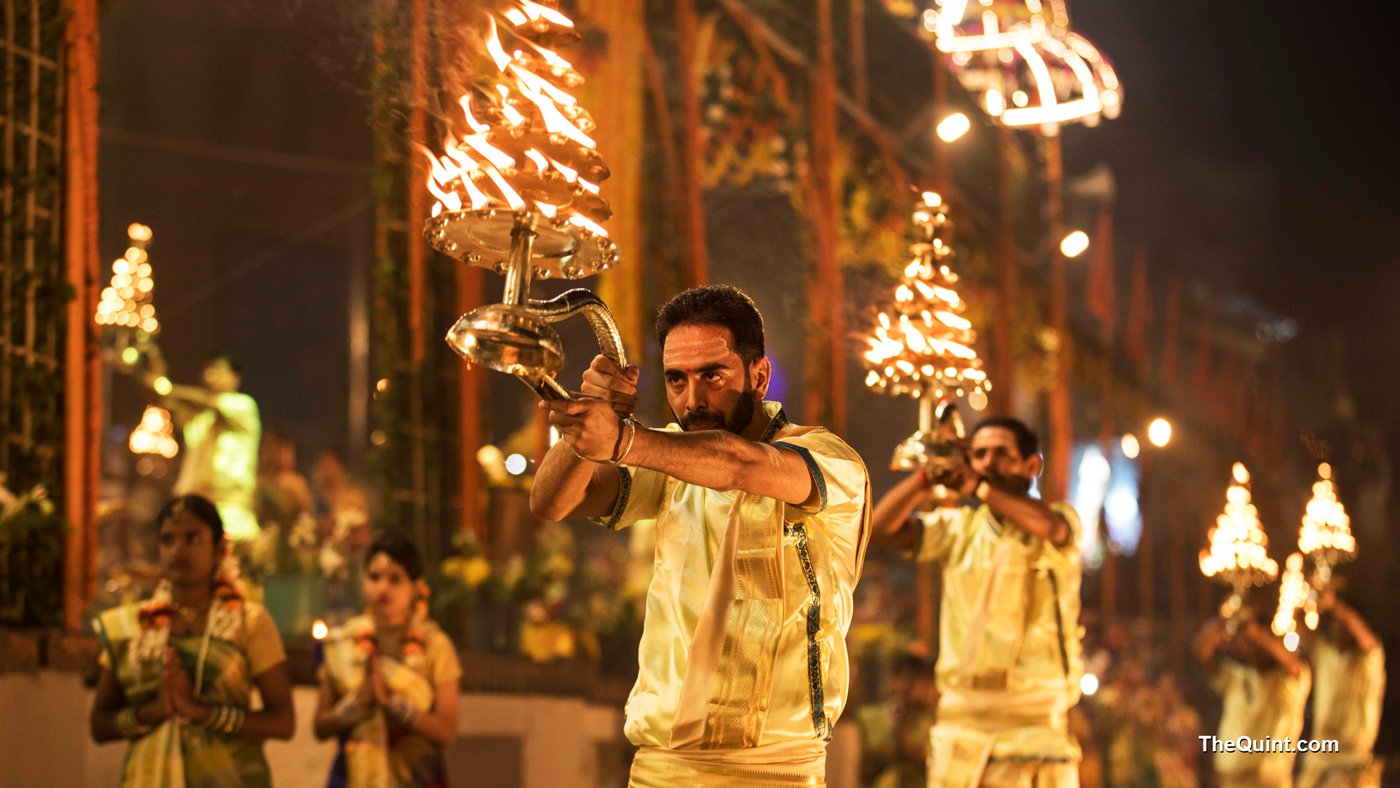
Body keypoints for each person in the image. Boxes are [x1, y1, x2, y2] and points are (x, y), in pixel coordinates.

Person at [531, 285, 871, 785]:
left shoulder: (828, 460)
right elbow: (552, 502)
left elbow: (738, 465)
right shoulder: (665, 454)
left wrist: (623, 439)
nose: (693, 400)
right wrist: (588, 420)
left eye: (712, 375)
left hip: (775, 770)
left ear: (759, 375)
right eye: (675, 380)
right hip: (661, 766)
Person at [870, 416, 1084, 787]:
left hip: (1032, 730)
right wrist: (927, 477)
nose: (987, 462)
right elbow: (880, 529)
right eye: (980, 454)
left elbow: (1051, 529)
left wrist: (978, 487)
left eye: (1001, 454)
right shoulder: (958, 530)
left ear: (1031, 466)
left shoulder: (1054, 521)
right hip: (961, 731)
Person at [89, 494, 295, 785]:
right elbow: (99, 725)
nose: (178, 550)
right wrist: (153, 712)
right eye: (167, 540)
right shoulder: (130, 626)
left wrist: (202, 713)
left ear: (219, 549)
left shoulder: (249, 621)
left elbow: (283, 722)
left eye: (193, 538)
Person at [315, 533, 462, 787]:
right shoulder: (345, 641)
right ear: (363, 583)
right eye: (374, 577)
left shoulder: (435, 645)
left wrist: (393, 704)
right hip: (353, 777)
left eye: (395, 579)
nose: (383, 587)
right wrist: (357, 705)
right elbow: (320, 727)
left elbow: (446, 731)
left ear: (417, 587)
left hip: (415, 778)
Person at [136, 352, 262, 541]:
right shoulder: (200, 417)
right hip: (192, 504)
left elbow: (199, 400)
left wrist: (167, 388)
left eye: (218, 370)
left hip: (230, 508)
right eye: (208, 371)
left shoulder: (242, 405)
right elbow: (163, 402)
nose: (211, 376)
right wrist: (146, 374)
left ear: (236, 377)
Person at [1194, 612, 1310, 787]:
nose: (1253, 648)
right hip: (1231, 780)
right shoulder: (1238, 678)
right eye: (1249, 644)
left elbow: (1291, 665)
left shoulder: (1292, 680)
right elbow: (1202, 654)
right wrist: (1223, 621)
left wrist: (1256, 634)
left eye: (1258, 643)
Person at [1298, 587, 1385, 788]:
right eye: (1335, 622)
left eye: (1344, 623)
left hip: (1351, 764)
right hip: (1318, 762)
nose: (1338, 627)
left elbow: (1365, 639)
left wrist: (1334, 605)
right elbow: (1301, 629)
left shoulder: (1369, 658)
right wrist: (1311, 597)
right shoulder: (1325, 653)